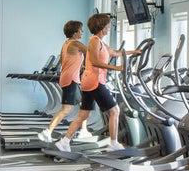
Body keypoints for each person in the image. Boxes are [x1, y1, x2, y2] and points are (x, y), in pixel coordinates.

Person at [54, 13, 137, 154]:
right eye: (108, 25)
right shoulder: (94, 41)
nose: (110, 27)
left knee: (82, 115)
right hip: (95, 82)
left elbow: (115, 52)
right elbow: (95, 62)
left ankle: (64, 142)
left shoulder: (100, 41)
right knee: (114, 111)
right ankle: (114, 143)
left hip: (89, 82)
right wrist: (117, 68)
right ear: (102, 26)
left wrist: (134, 51)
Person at [39, 20, 86, 142]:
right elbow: (92, 52)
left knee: (84, 104)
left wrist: (82, 67)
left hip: (67, 77)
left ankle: (84, 131)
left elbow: (68, 60)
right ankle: (47, 131)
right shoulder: (76, 44)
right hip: (71, 79)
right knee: (66, 109)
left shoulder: (66, 44)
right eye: (81, 30)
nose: (82, 32)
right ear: (75, 33)